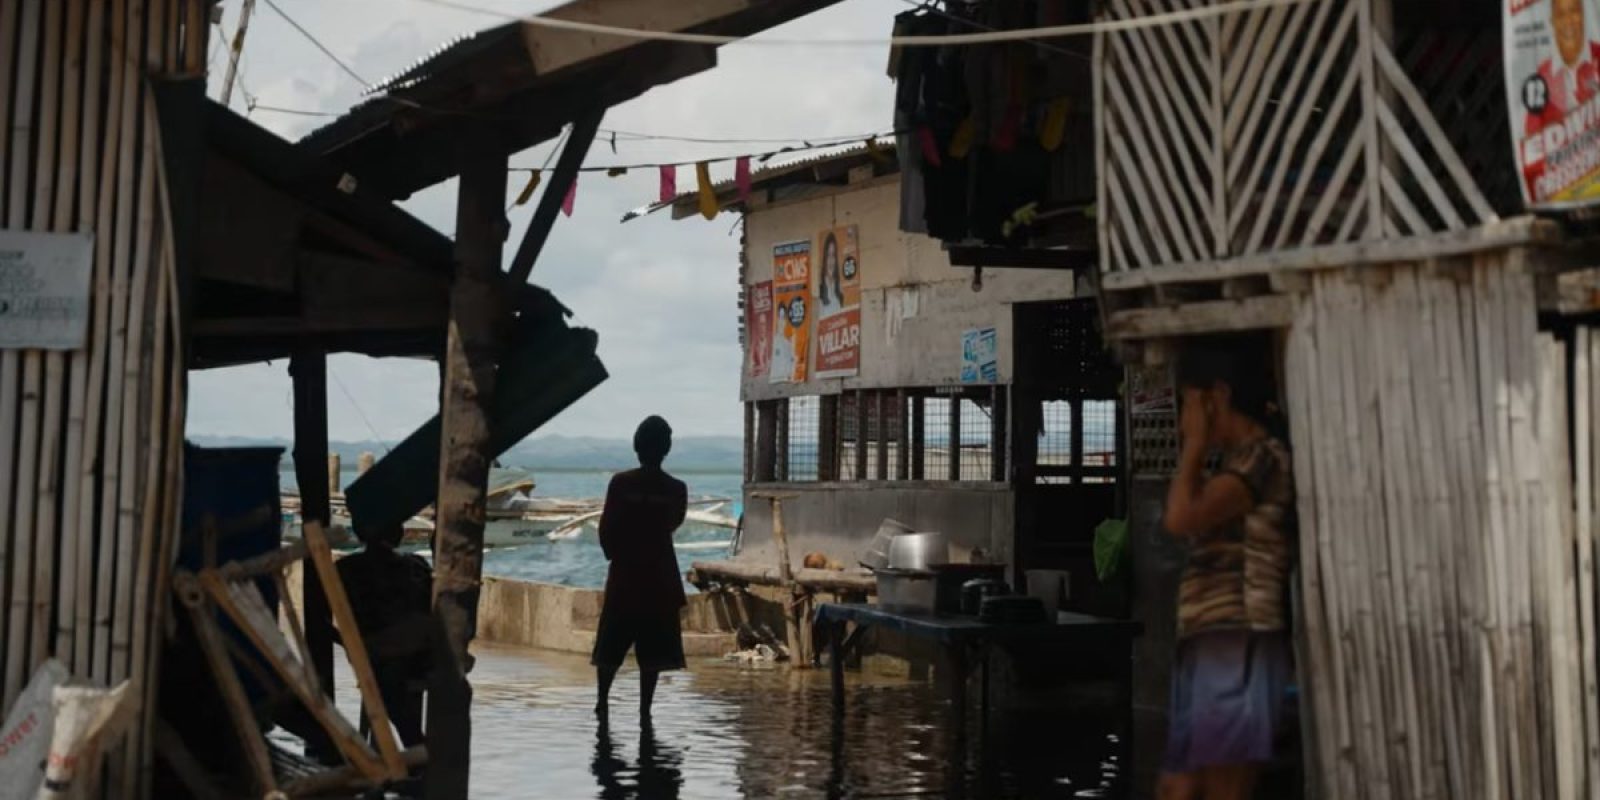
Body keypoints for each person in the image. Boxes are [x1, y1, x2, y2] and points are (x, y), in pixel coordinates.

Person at [1158, 339, 1294, 800]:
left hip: (1241, 638)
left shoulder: (1262, 458)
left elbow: (1181, 517)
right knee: (1180, 786)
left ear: (1217, 397)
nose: (1182, 422)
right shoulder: (1238, 463)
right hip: (1212, 642)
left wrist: (1194, 446)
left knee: (1220, 788)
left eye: (1189, 406)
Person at [593, 416, 689, 723]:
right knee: (655, 652)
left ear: (637, 447)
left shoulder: (620, 484)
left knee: (611, 645)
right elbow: (673, 523)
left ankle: (603, 702)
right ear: (666, 449)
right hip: (660, 576)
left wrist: (618, 555)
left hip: (626, 576)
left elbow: (606, 529)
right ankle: (645, 710)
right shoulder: (676, 489)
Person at [336, 520, 435, 747]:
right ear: (398, 535)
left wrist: (346, 642)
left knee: (387, 682)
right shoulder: (416, 566)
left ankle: (410, 748)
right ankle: (413, 748)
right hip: (416, 653)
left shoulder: (346, 569)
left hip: (380, 655)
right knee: (391, 683)